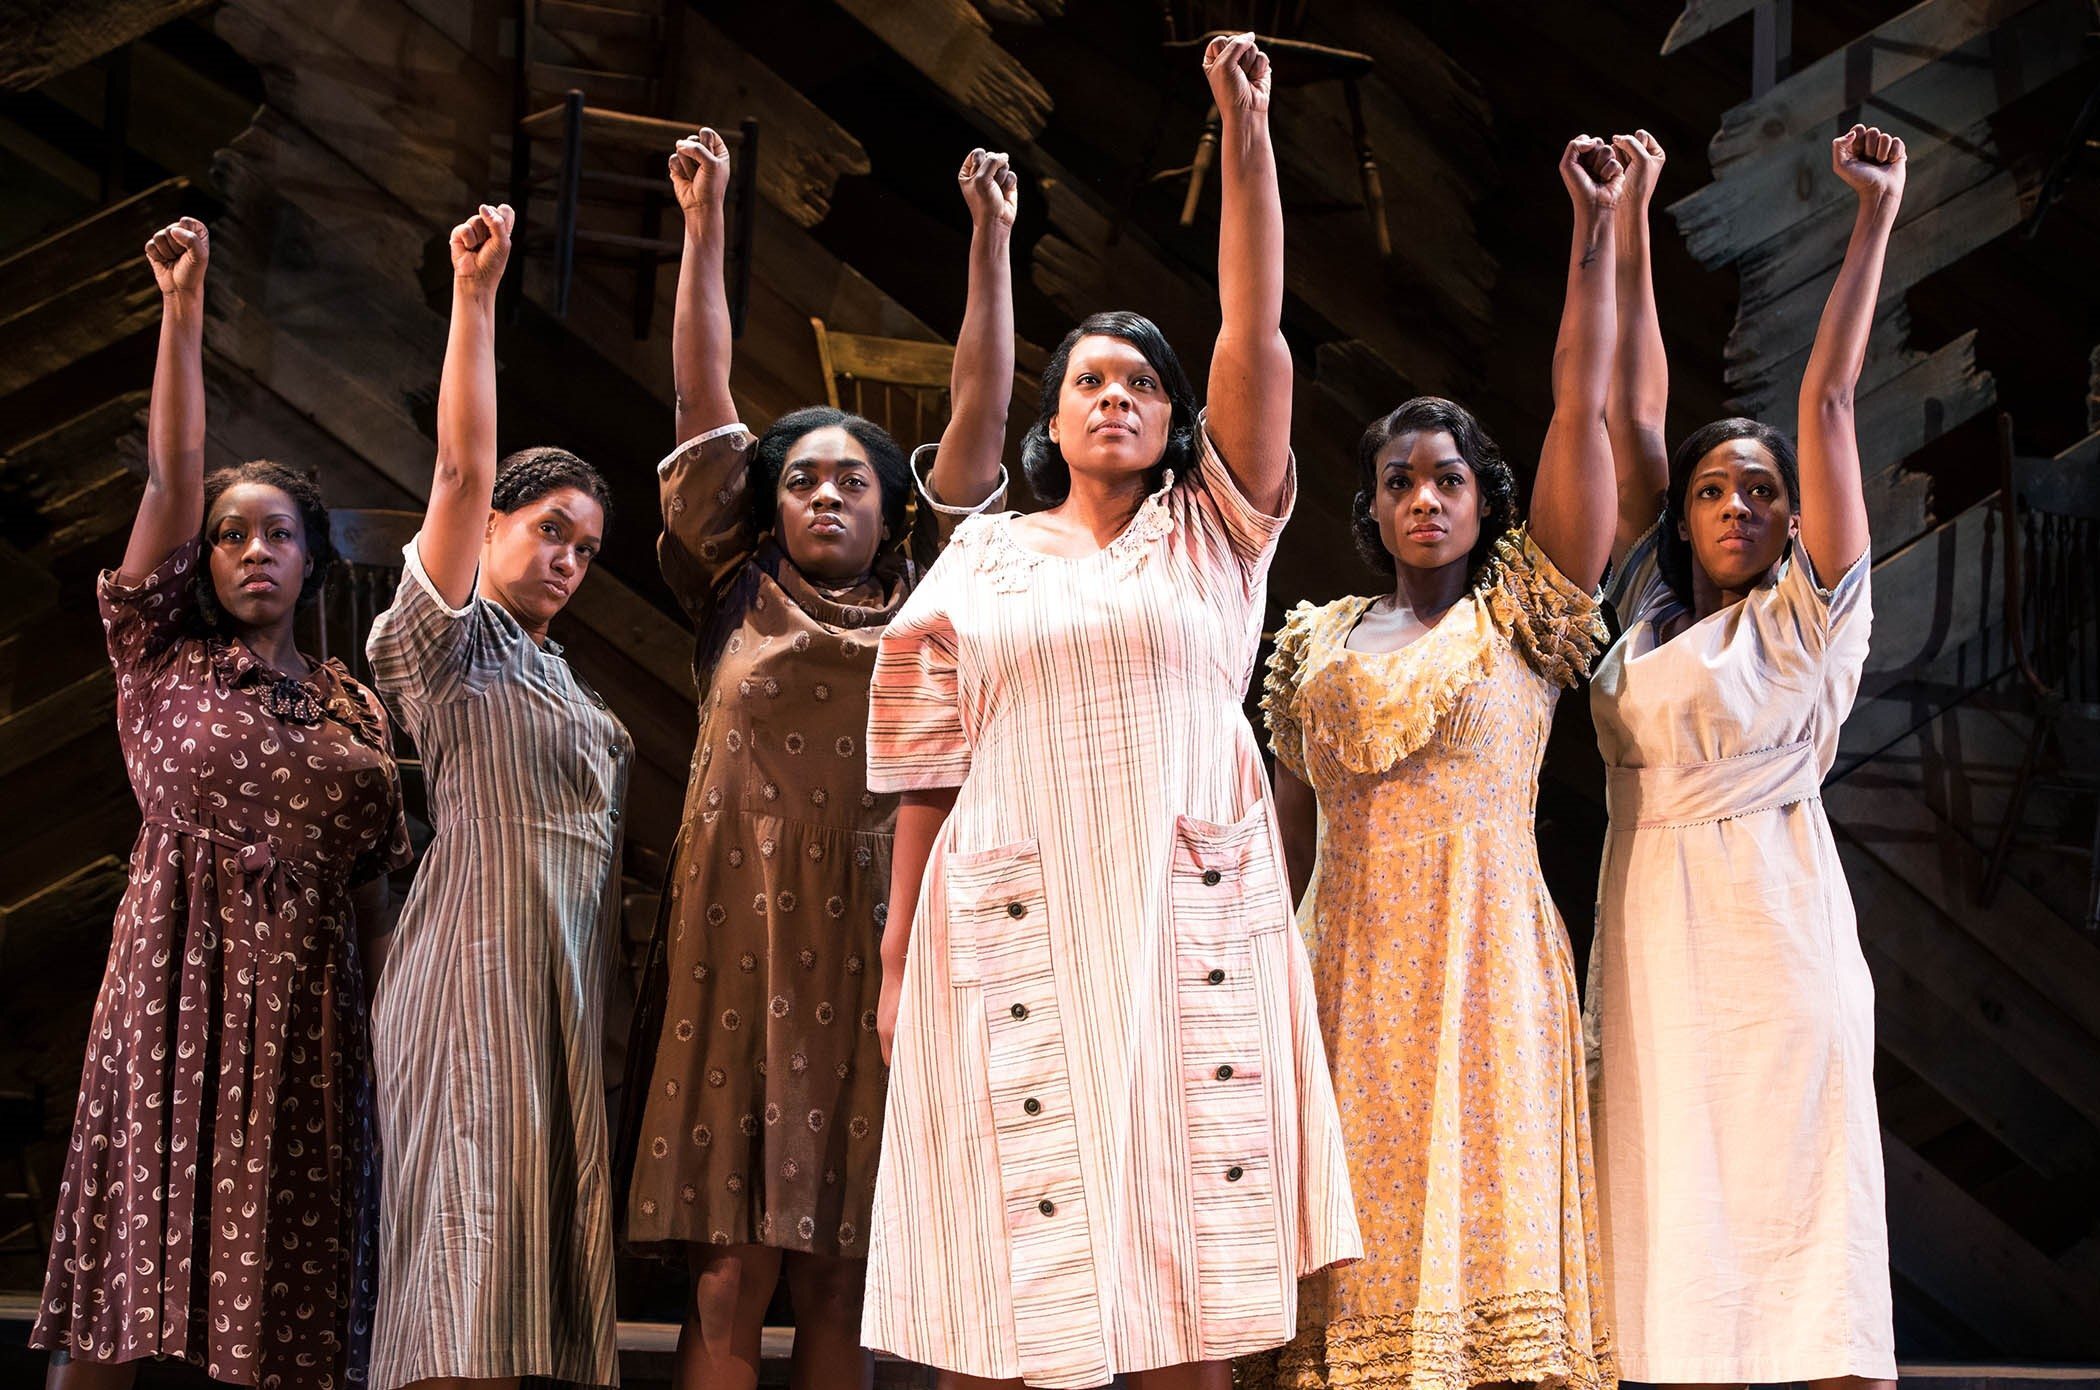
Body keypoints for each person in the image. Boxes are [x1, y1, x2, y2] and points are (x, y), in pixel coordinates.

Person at [863, 34, 1361, 1390]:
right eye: (1091, 380)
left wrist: (1244, 127)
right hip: (1009, 896)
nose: (1116, 397)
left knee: (1177, 1237)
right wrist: (901, 954)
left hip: (1173, 893)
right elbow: (925, 766)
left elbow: (1254, 326)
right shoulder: (984, 550)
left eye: (1142, 383)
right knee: (1000, 1236)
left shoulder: (1217, 530)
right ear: (1056, 412)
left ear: (1173, 415)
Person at [618, 129, 1013, 1390]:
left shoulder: (933, 590)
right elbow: (701, 405)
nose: (827, 496)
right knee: (735, 1268)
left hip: (877, 937)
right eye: (800, 481)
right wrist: (708, 220)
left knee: (847, 1268)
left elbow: (982, 415)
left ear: (894, 506)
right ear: (768, 503)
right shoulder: (730, 587)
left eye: (853, 480)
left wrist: (992, 244)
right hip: (740, 928)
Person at [1255, 138, 1625, 1390]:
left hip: (1483, 960)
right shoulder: (1311, 638)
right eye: (1400, 480)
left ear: (1486, 500)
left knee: (1484, 1234)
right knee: (1348, 1259)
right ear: (1369, 503)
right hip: (1342, 961)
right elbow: (1283, 834)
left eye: (1450, 479)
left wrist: (1594, 231)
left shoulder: (1521, 613)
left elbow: (1584, 407)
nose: (1425, 498)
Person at [33, 216, 412, 1389]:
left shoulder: (354, 706)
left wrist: (390, 1041)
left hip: (308, 1014)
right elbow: (170, 474)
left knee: (281, 1300)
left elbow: (376, 895)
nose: (253, 551)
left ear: (310, 561)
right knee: (124, 1278)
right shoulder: (162, 657)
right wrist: (184, 308)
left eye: (278, 536)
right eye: (232, 536)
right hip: (176, 992)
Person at [1584, 124, 1907, 1390]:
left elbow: (1827, 398)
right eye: (1714, 490)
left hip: (1775, 925)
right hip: (1655, 923)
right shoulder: (1641, 617)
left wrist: (1875, 213)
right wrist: (1633, 215)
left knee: (1803, 1219)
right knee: (1671, 1236)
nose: (1736, 505)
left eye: (1761, 492)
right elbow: (1633, 411)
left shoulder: (1813, 614)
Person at [362, 202, 628, 1390]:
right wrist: (477, 298)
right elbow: (463, 466)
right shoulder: (451, 645)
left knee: (522, 1289)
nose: (568, 559)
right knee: (466, 1273)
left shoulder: (556, 672)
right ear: (496, 531)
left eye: (586, 548)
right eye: (550, 532)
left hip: (557, 983)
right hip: (471, 969)